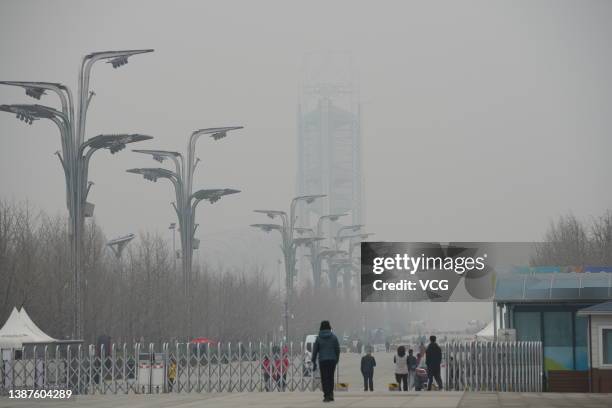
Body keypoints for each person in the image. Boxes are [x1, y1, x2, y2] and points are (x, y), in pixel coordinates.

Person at [312, 320, 340, 402]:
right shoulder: (334, 337)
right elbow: (337, 349)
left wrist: (313, 361)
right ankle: (331, 394)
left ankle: (326, 395)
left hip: (323, 360)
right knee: (331, 377)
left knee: (324, 378)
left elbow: (315, 351)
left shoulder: (318, 338)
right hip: (332, 360)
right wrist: (336, 359)